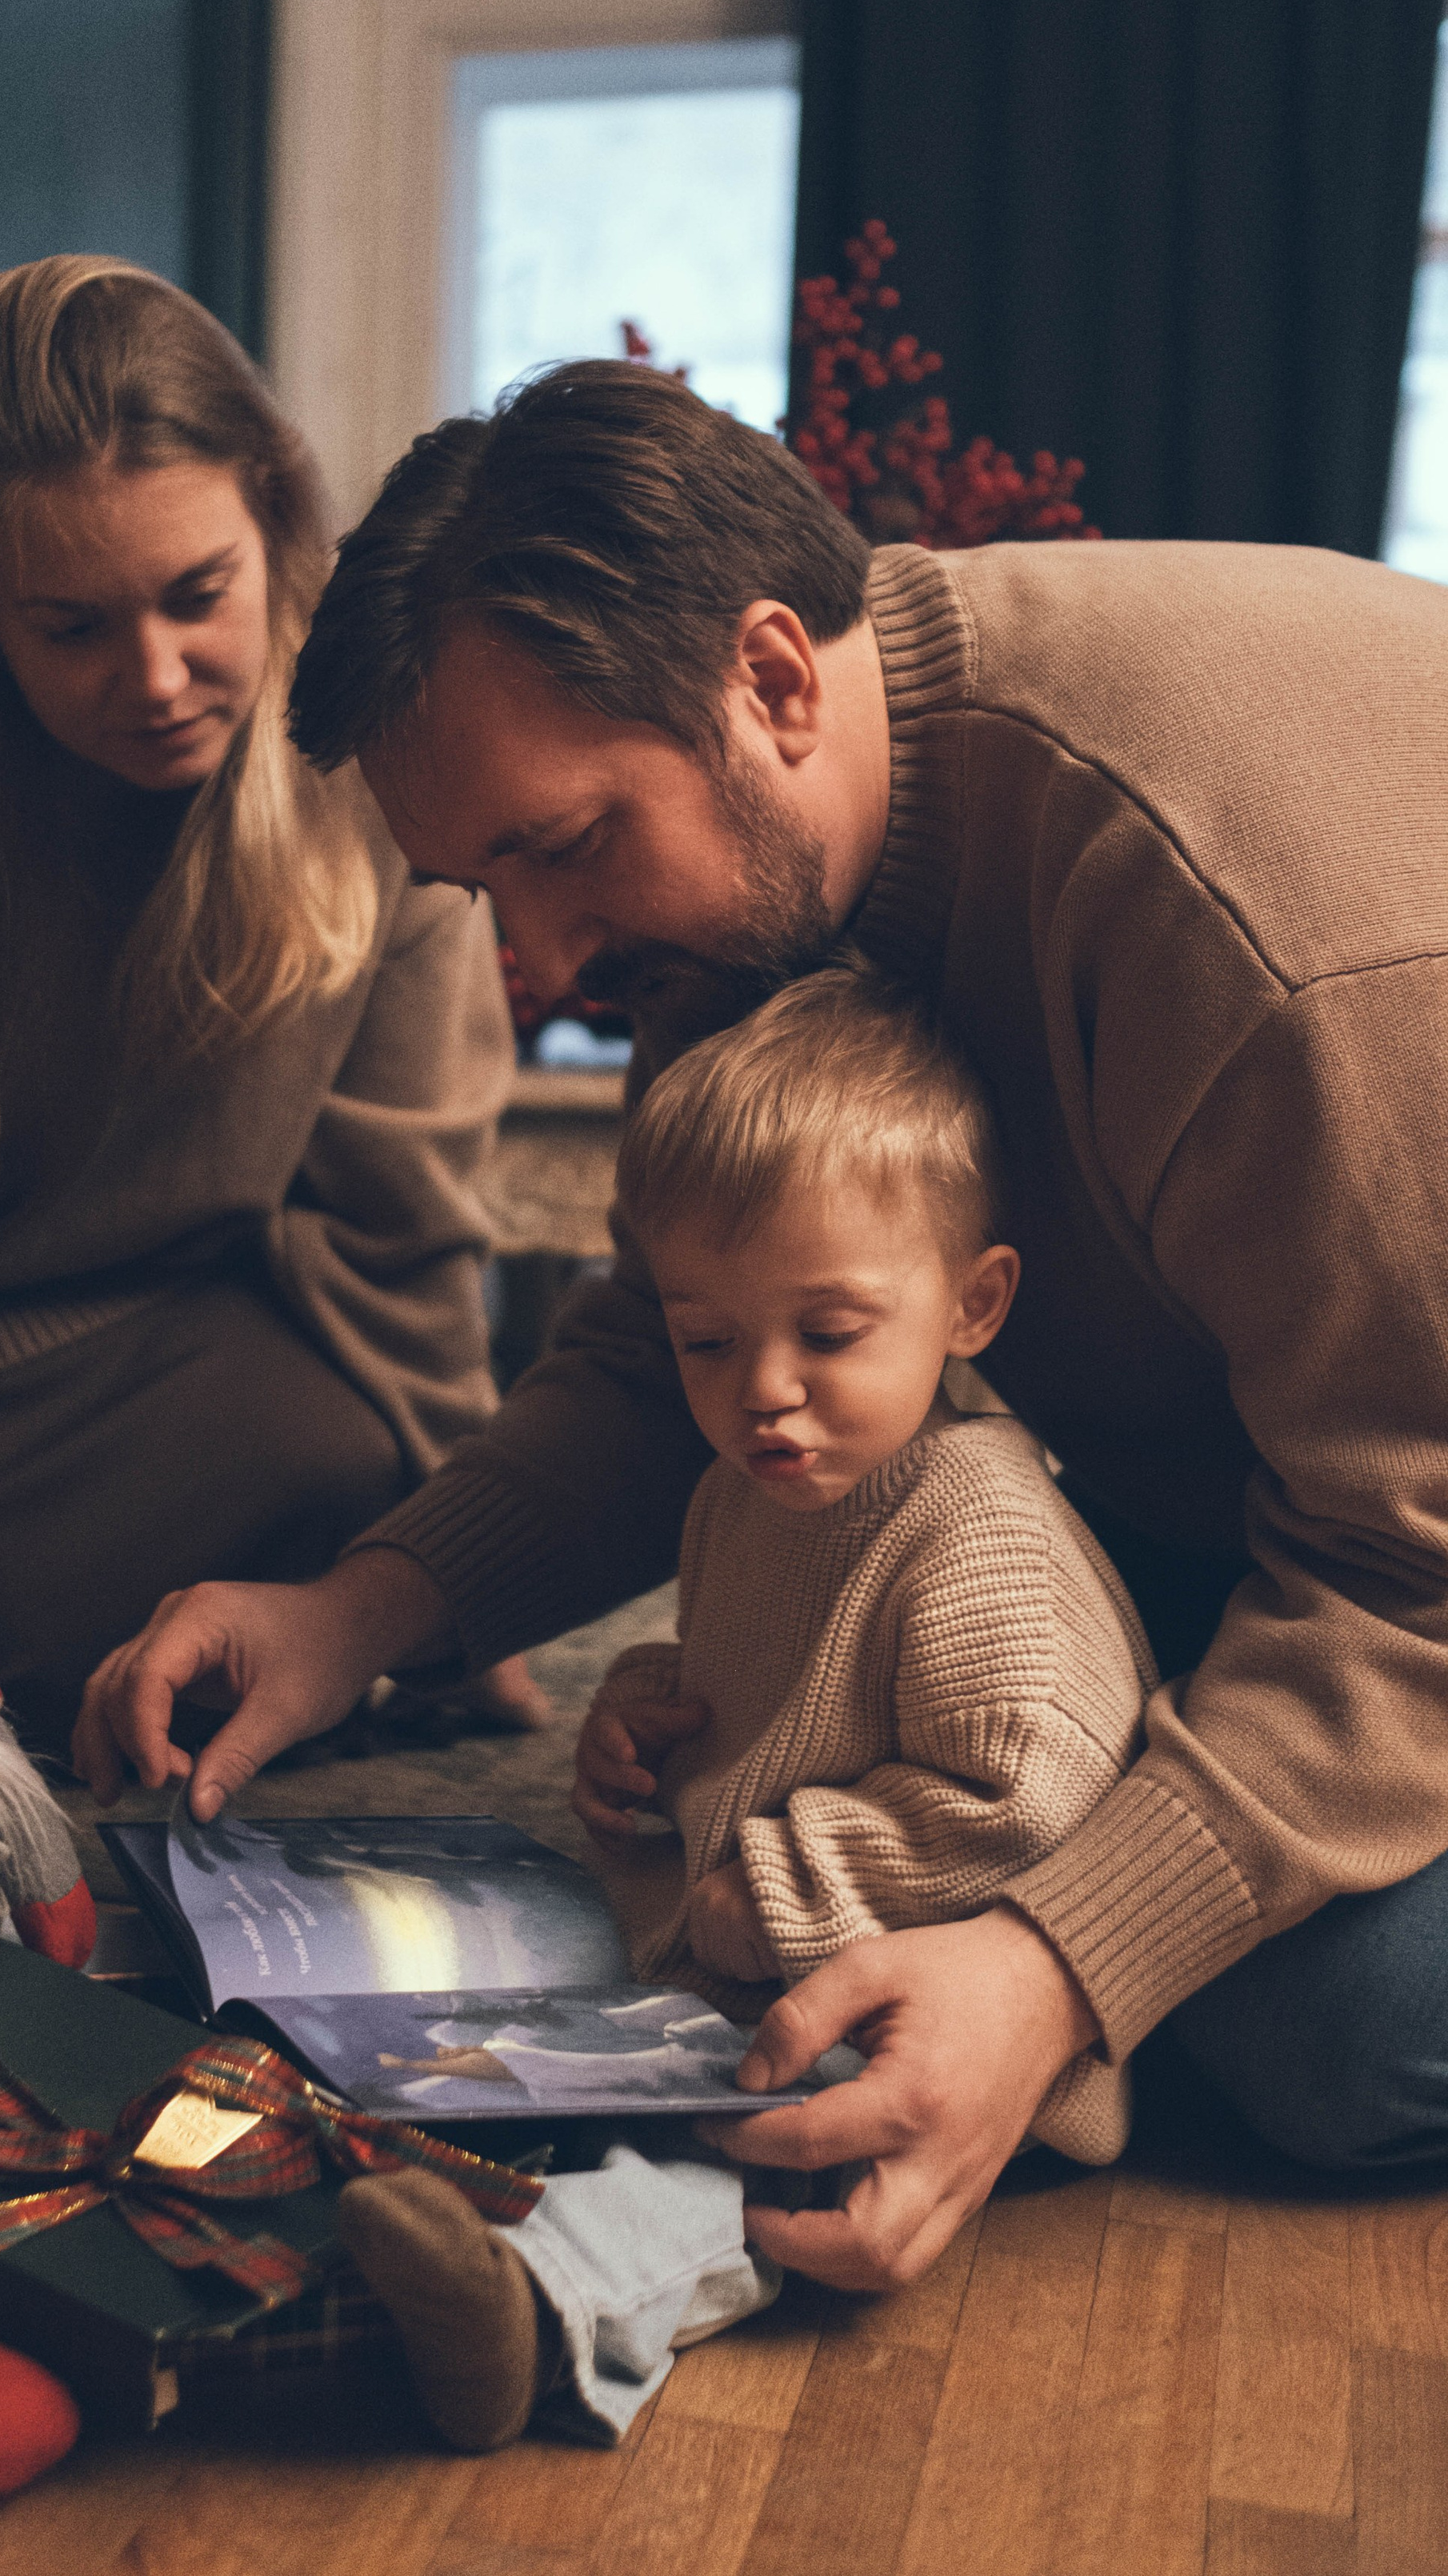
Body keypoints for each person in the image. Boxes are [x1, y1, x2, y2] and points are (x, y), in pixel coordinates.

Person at [80, 355, 1448, 2292]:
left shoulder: (1248, 941)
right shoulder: (753, 898)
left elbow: (1412, 1574)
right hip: (1301, 1480)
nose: (540, 969)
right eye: (481, 888)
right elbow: (670, 1351)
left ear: (775, 682)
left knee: (1310, 2019)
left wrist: (1056, 1970)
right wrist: (360, 1611)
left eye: (560, 848)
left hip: (1409, 1523)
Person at [0, 258, 539, 1756]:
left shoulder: (376, 711)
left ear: (273, 524)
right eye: (74, 627)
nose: (157, 677)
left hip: (209, 1342)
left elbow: (404, 1222)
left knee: (359, 1471)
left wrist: (452, 1589)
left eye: (197, 597)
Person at [340, 967, 1150, 2448]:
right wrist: (646, 1722)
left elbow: (1027, 1796)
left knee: (754, 2149)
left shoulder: (977, 1522)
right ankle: (375, 2228)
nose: (764, 1390)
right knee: (501, 2022)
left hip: (928, 2023)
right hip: (736, 1967)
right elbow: (745, 1690)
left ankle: (549, 2308)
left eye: (828, 1334)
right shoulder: (742, 1493)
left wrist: (775, 1886)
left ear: (974, 1305)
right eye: (706, 1341)